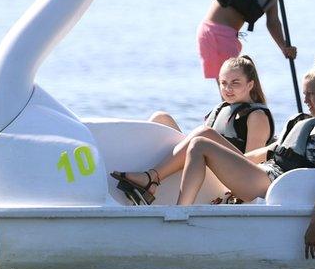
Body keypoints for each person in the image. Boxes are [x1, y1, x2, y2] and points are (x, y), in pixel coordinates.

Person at [177, 54, 315, 259]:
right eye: (304, 94)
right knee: (199, 141)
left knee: (200, 145)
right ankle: (180, 212)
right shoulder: (305, 123)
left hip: (272, 183)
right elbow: (270, 151)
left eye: (311, 95)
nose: (305, 100)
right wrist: (236, 162)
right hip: (263, 172)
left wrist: (314, 225)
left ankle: (178, 216)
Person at [109, 56, 276, 204]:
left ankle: (151, 178)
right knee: (161, 118)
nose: (227, 89)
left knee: (205, 134)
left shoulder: (257, 116)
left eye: (235, 83)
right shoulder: (223, 109)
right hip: (206, 166)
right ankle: (142, 177)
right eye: (223, 83)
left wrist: (213, 152)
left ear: (250, 85)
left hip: (235, 178)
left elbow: (253, 164)